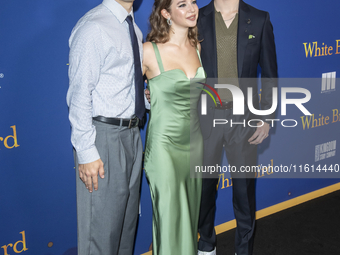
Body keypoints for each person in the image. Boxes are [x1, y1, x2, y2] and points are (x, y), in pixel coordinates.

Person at [66, 0, 148, 254]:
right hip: (103, 139)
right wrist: (87, 152)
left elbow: (119, 85)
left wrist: (146, 98)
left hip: (133, 135)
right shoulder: (94, 27)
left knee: (125, 230)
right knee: (100, 236)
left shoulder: (133, 28)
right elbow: (80, 94)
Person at [196, 0, 278, 255]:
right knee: (203, 192)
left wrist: (267, 117)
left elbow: (270, 73)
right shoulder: (196, 17)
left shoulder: (260, 18)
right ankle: (206, 244)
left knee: (244, 194)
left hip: (244, 121)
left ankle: (243, 251)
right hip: (205, 120)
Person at [142, 0, 205, 254]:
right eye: (182, 4)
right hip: (164, 146)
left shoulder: (197, 46)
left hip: (195, 143)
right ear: (166, 13)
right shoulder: (148, 50)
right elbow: (122, 92)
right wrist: (149, 99)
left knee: (189, 216)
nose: (192, 8)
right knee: (169, 217)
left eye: (193, 2)